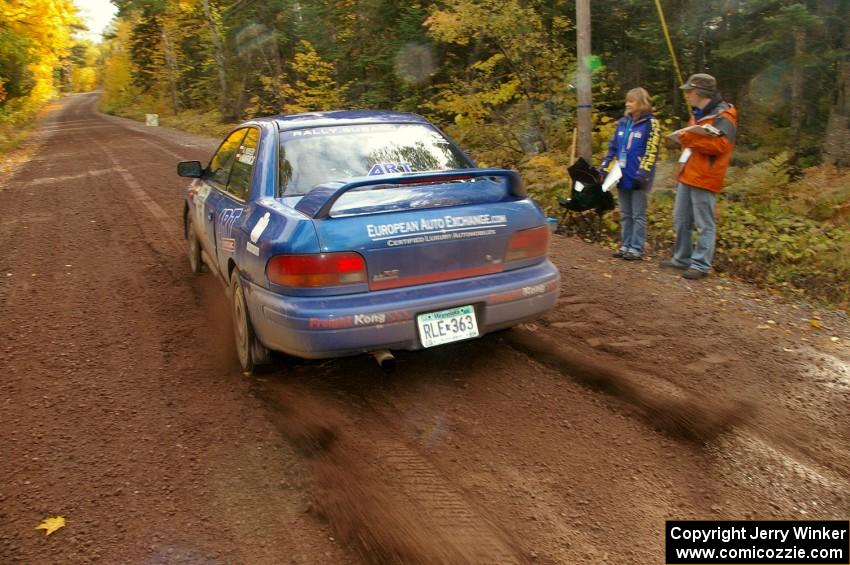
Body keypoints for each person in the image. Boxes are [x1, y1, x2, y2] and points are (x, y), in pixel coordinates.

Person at [661, 73, 737, 280]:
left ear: (699, 92)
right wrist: (688, 139)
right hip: (689, 173)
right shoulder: (698, 114)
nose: (687, 95)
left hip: (706, 176)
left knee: (704, 223)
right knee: (681, 218)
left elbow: (720, 146)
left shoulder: (725, 116)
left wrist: (687, 138)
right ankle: (681, 259)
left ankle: (701, 264)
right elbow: (692, 139)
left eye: (689, 92)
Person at [599, 87, 661, 261]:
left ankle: (636, 247)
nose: (628, 104)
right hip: (622, 173)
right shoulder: (623, 122)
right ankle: (625, 245)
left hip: (640, 176)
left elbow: (652, 151)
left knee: (638, 214)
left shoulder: (651, 123)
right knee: (625, 212)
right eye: (627, 100)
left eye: (631, 101)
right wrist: (604, 167)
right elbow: (613, 146)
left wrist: (642, 173)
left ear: (641, 102)